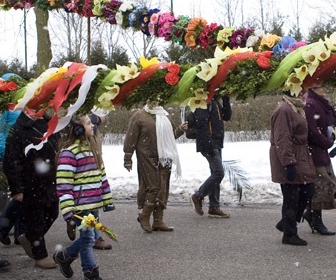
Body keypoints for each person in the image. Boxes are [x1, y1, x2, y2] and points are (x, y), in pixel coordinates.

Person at [53, 114, 113, 280]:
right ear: (78, 129)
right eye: (88, 123)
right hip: (80, 206)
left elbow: (101, 176)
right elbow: (64, 183)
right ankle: (91, 272)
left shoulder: (92, 149)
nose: (93, 125)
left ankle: (65, 256)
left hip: (93, 204)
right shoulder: (69, 153)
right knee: (87, 239)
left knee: (91, 237)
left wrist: (106, 200)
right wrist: (68, 209)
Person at [3, 111, 60, 269]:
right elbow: (11, 160)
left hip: (49, 180)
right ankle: (40, 255)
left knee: (52, 213)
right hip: (30, 182)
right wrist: (16, 188)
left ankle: (29, 238)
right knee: (35, 219)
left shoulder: (50, 124)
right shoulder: (18, 129)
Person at [124, 101, 186, 233]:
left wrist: (180, 129)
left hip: (164, 156)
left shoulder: (164, 115)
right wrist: (127, 157)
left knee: (162, 187)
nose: (154, 101)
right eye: (150, 98)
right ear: (145, 100)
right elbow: (131, 137)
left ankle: (158, 220)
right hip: (146, 155)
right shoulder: (139, 116)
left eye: (157, 99)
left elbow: (171, 136)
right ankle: (144, 216)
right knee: (154, 186)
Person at [270, 90, 316, 246]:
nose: (304, 94)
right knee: (291, 197)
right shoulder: (284, 109)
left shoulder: (297, 108)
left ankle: (286, 223)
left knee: (308, 190)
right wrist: (289, 163)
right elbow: (282, 138)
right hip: (289, 156)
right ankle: (289, 234)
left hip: (300, 155)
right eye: (301, 91)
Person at [301, 86, 336, 236]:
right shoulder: (310, 103)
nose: (324, 88)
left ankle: (311, 215)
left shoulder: (320, 103)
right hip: (315, 152)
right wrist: (326, 142)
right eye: (320, 86)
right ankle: (315, 219)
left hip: (321, 151)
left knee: (324, 183)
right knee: (320, 185)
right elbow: (312, 131)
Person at [189, 94, 232, 218]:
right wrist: (209, 145)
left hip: (217, 143)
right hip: (209, 144)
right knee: (219, 173)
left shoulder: (215, 101)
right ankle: (198, 196)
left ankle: (214, 207)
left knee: (215, 173)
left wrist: (226, 99)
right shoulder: (204, 103)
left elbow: (227, 116)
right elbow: (201, 125)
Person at [0, 108, 23, 246]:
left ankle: (19, 234)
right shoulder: (8, 108)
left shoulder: (29, 104)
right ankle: (3, 226)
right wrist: (4, 152)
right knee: (20, 194)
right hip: (12, 156)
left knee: (25, 194)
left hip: (25, 155)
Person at [87, 113, 114, 250]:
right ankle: (91, 235)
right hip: (80, 150)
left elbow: (104, 116)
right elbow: (62, 117)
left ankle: (94, 236)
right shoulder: (70, 97)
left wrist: (96, 119)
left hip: (95, 151)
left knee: (93, 197)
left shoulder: (94, 97)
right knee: (85, 200)